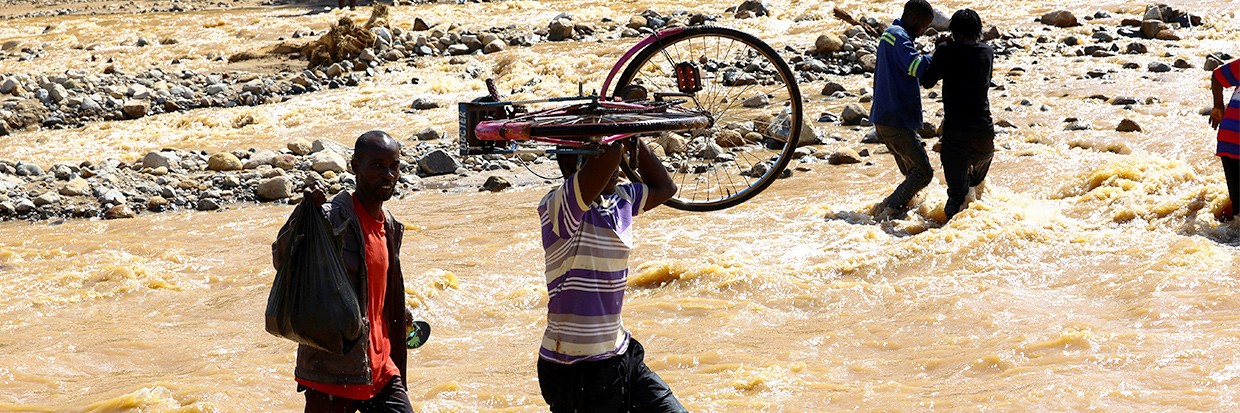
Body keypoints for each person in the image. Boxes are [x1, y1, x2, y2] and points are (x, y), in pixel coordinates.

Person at [272, 130, 414, 413]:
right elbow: (282, 258)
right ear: (354, 167)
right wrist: (304, 217)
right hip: (334, 373)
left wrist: (399, 310)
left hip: (382, 368)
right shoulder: (332, 217)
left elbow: (374, 287)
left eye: (393, 166)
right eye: (377, 165)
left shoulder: (390, 225)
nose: (388, 174)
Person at [536, 140, 683, 412]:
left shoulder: (621, 201)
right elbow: (609, 156)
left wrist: (634, 140)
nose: (616, 166)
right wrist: (618, 128)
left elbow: (666, 188)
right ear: (573, 166)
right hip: (575, 369)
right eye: (598, 153)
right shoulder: (559, 207)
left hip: (621, 354)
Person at [920, 9, 995, 222]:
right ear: (978, 31)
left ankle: (948, 238)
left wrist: (939, 51)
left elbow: (927, 81)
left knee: (956, 196)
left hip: (957, 135)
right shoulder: (987, 52)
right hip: (984, 134)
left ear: (953, 31)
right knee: (974, 186)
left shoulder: (946, 51)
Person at [869, 0, 937, 220]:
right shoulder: (898, 36)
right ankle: (885, 212)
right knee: (923, 173)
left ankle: (896, 213)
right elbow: (915, 67)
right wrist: (938, 55)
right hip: (896, 120)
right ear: (915, 19)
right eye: (924, 26)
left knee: (912, 175)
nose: (923, 31)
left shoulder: (892, 34)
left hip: (886, 119)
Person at [1210, 58, 1240, 221]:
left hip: (1229, 136)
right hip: (1233, 137)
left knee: (1238, 204)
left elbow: (1217, 76)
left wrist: (1218, 106)